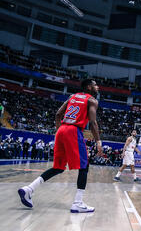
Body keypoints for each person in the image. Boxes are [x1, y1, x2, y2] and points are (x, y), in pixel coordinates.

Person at [18, 79, 103, 213]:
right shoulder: (92, 100)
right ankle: (78, 203)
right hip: (73, 131)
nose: (97, 87)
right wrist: (98, 142)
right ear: (88, 87)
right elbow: (93, 123)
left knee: (58, 168)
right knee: (84, 166)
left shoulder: (72, 97)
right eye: (95, 85)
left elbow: (58, 114)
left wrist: (59, 131)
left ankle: (29, 189)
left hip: (62, 130)